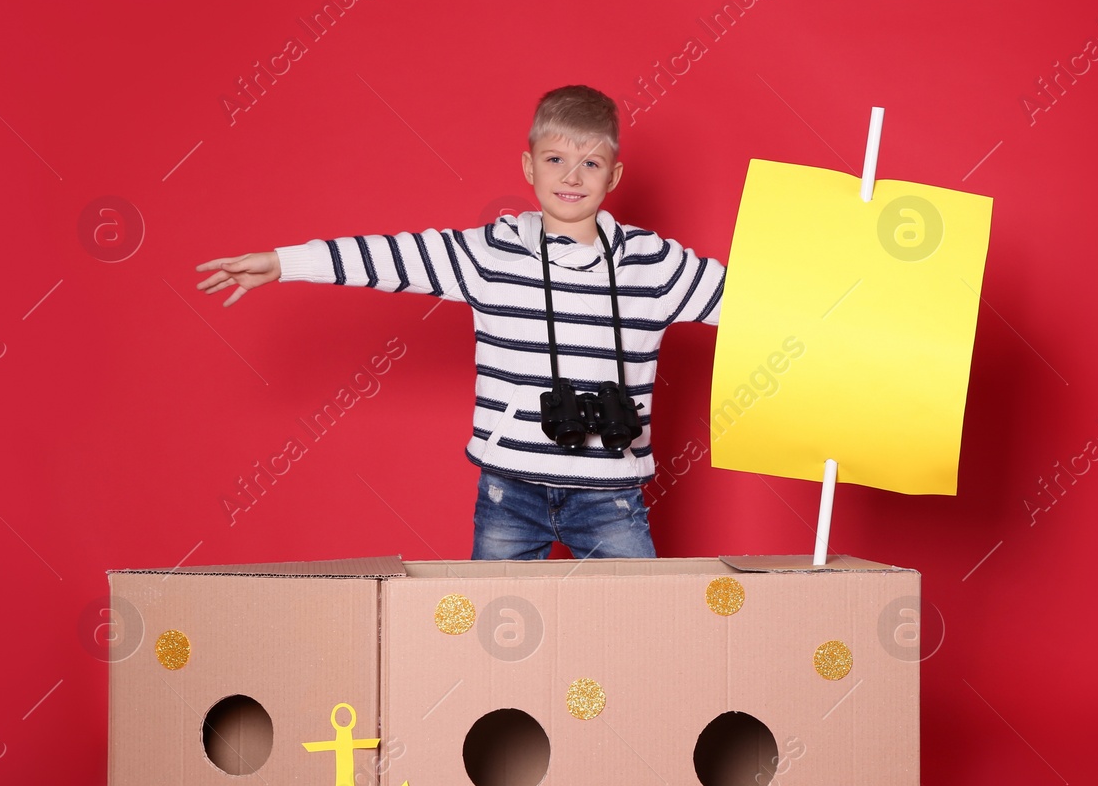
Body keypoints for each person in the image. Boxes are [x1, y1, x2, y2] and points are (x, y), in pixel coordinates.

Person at [195, 85, 725, 559]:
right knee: (487, 640)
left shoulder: (651, 263)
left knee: (646, 628)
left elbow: (750, 301)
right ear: (528, 167)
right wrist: (286, 262)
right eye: (556, 158)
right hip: (509, 490)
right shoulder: (491, 253)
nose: (571, 176)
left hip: (611, 489)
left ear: (615, 174)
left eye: (590, 163)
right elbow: (393, 257)